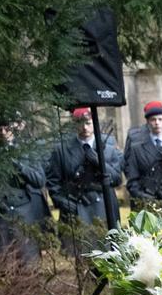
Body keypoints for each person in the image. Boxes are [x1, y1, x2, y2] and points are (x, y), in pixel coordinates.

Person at [47, 107, 124, 250]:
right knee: (79, 254)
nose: (84, 127)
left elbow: (117, 179)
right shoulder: (61, 149)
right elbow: (53, 182)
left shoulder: (108, 146)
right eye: (80, 123)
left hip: (102, 205)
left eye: (88, 123)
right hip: (75, 206)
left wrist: (99, 163)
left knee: (107, 253)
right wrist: (62, 202)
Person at [0, 119, 51, 270]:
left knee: (28, 266)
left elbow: (39, 180)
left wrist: (19, 166)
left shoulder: (27, 149)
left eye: (6, 128)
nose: (3, 133)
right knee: (1, 267)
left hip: (25, 215)